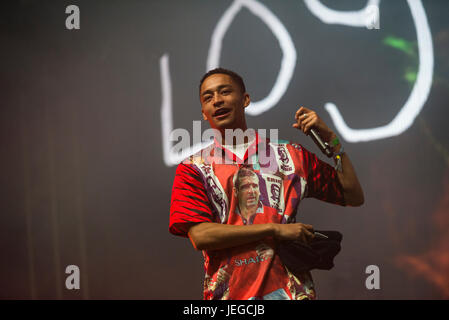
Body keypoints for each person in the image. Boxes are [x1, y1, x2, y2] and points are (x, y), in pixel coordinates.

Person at [169, 68, 364, 300]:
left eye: (225, 92)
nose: (217, 100)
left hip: (293, 294)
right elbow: (201, 236)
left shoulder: (289, 154)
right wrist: (274, 229)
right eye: (208, 97)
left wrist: (332, 140)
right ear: (203, 112)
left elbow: (353, 195)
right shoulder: (194, 168)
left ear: (246, 100)